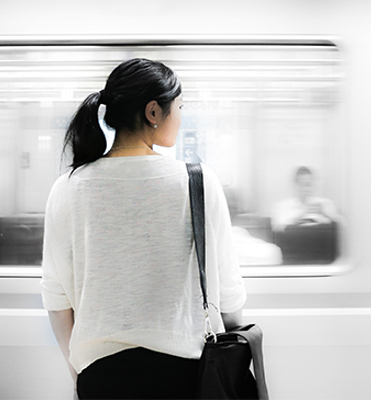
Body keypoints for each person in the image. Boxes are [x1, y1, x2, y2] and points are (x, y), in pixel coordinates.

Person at [40, 58, 247, 399]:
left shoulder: (67, 187)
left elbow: (56, 298)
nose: (181, 117)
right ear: (153, 112)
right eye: (179, 107)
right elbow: (228, 293)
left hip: (101, 378)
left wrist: (78, 374)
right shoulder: (198, 182)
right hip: (186, 376)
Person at [272, 166, 340, 232]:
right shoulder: (282, 207)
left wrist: (324, 214)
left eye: (308, 184)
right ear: (295, 185)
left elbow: (342, 227)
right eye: (301, 184)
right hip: (292, 241)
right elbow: (277, 230)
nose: (305, 189)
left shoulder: (325, 204)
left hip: (321, 241)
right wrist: (301, 216)